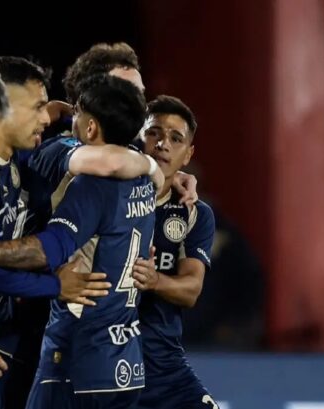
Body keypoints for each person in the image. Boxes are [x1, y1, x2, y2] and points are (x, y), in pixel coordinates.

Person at [0, 75, 155, 409]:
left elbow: (47, 250)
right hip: (125, 359)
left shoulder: (91, 183)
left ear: (89, 128)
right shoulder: (143, 177)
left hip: (77, 355)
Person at [131, 96, 219, 409]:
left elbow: (191, 290)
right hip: (106, 360)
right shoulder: (108, 194)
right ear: (138, 138)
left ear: (188, 155)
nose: (163, 144)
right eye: (154, 133)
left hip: (164, 366)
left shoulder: (193, 214)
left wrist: (154, 280)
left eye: (176, 138)